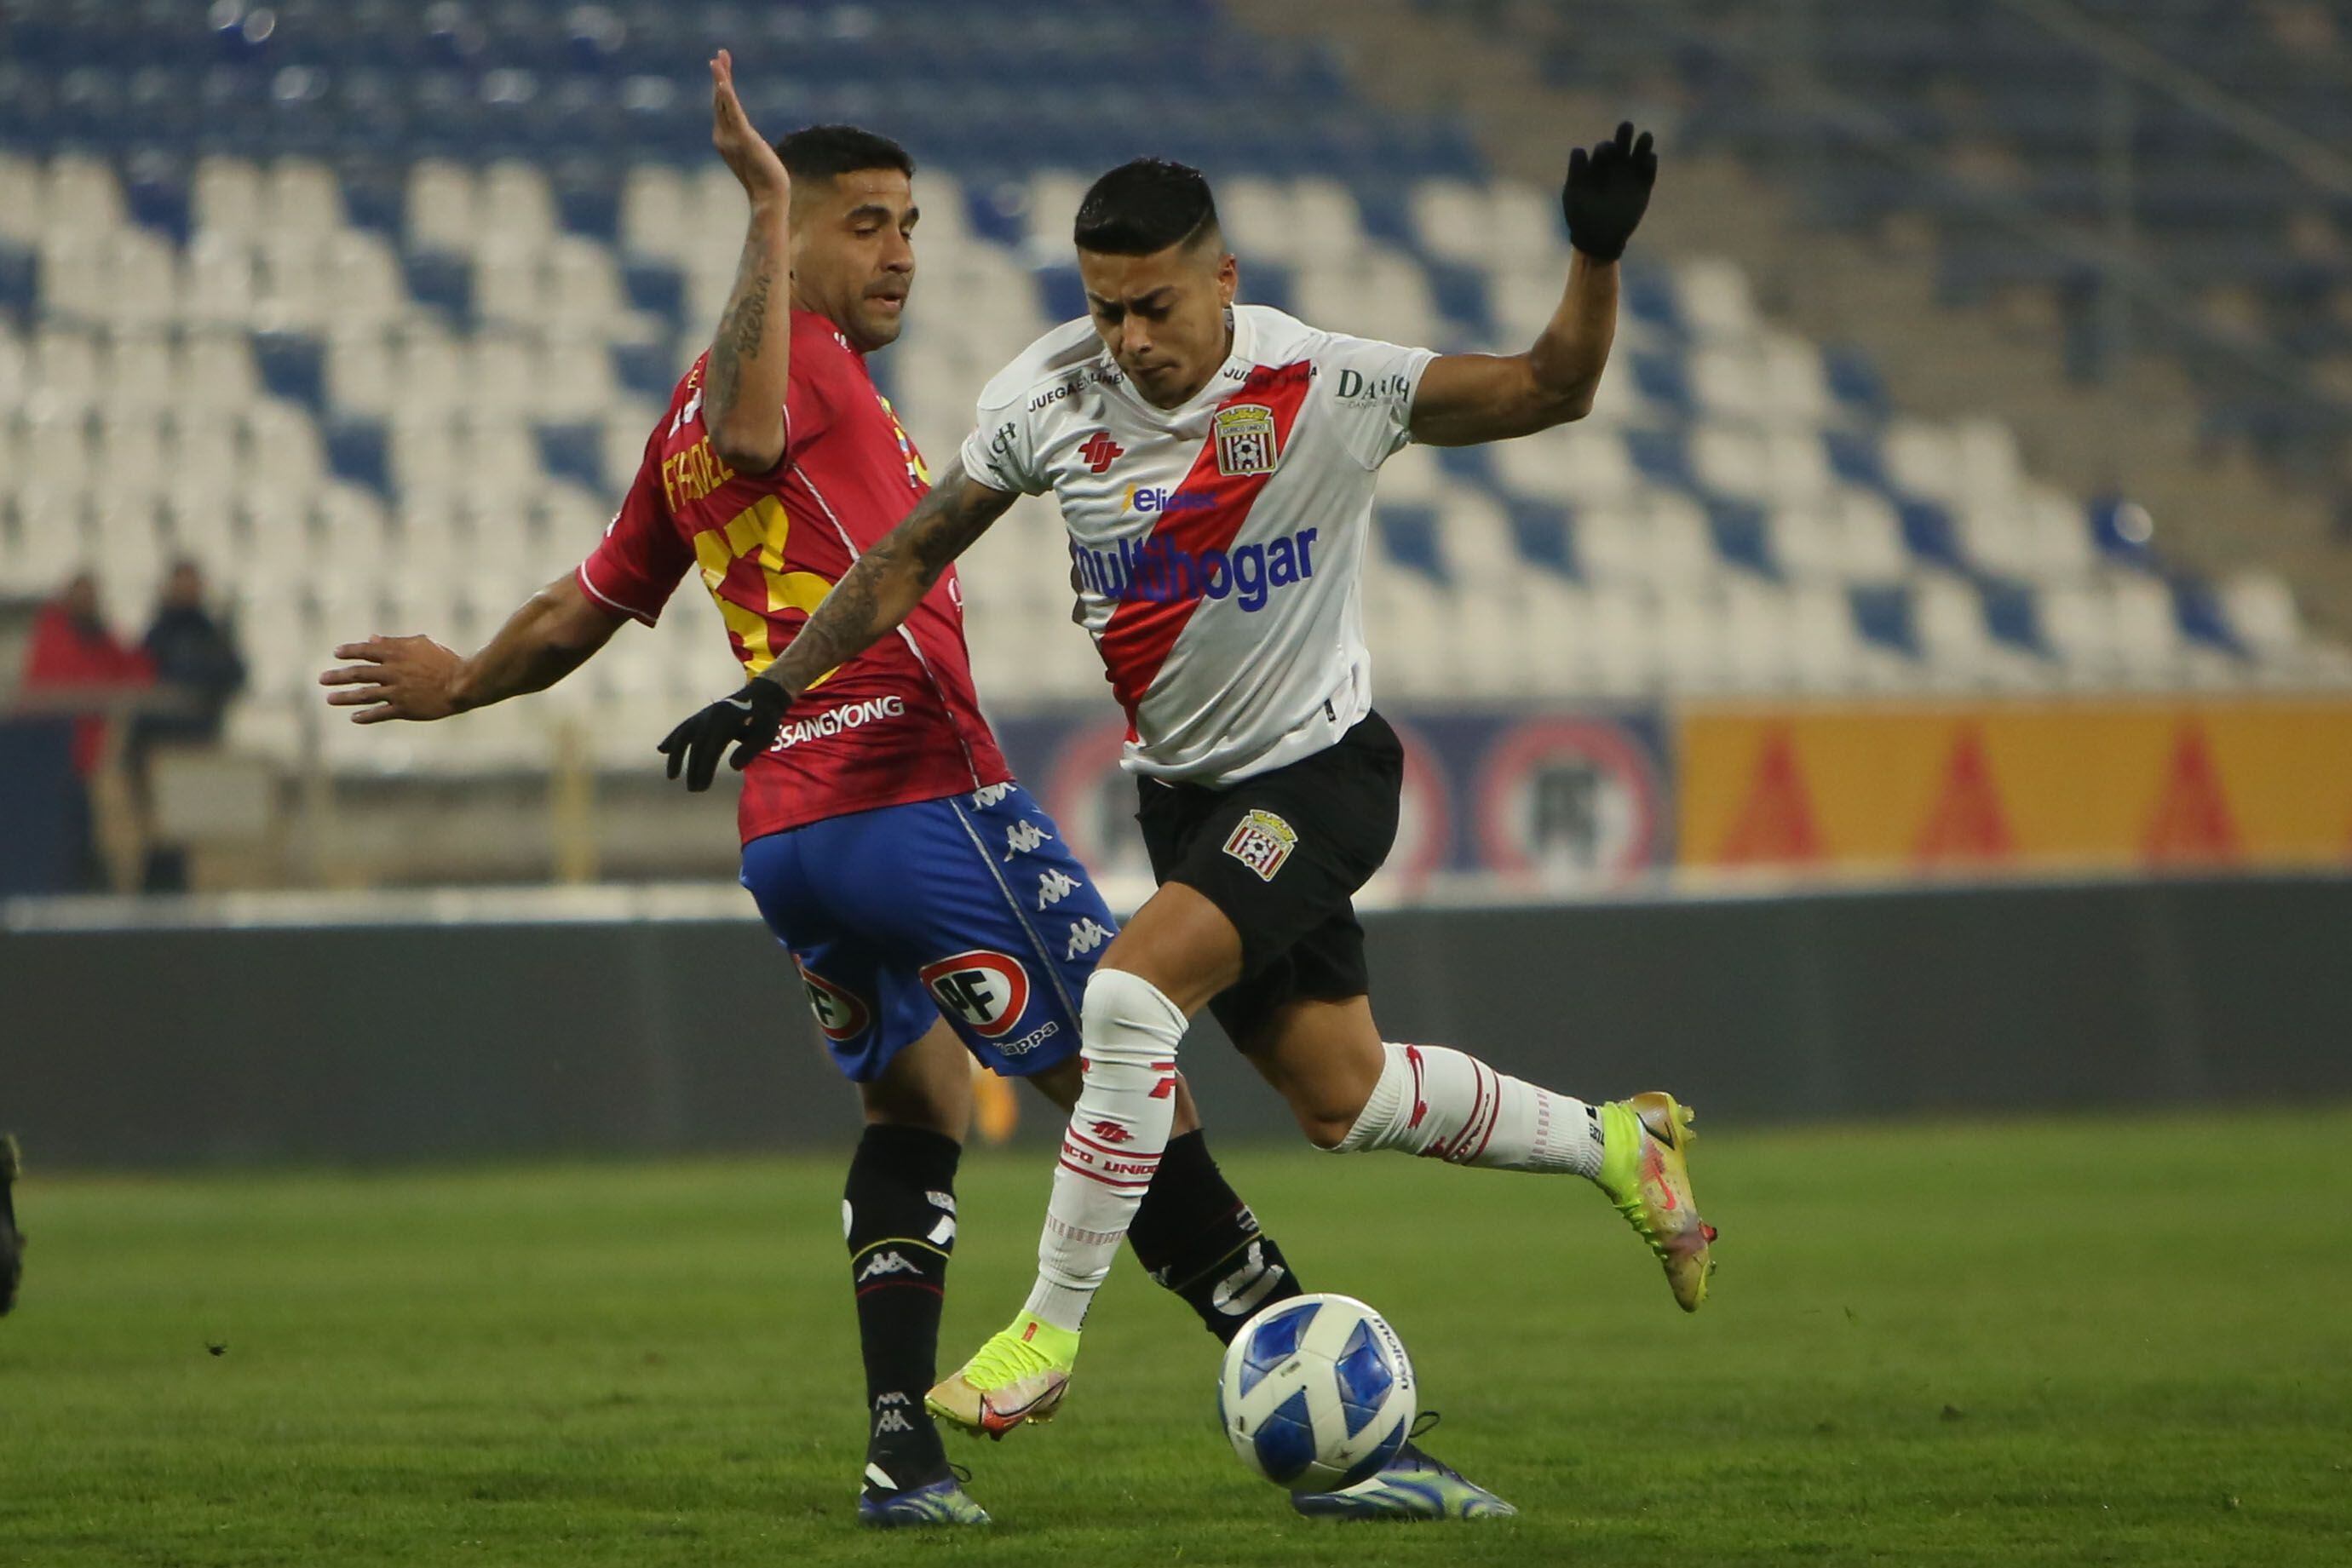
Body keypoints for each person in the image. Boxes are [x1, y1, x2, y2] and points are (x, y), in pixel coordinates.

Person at [320, 54, 1504, 1526]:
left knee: (916, 1102)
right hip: (916, 795)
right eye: (866, 223)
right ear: (795, 242)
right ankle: (1347, 1441)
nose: (901, 253)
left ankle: (900, 1452)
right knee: (1128, 1086)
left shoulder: (680, 425)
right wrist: (762, 205)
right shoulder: (790, 367)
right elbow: (758, 436)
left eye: (911, 222)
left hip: (791, 836)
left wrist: (461, 686)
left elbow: (589, 602)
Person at [656, 125, 1718, 1450]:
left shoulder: (1323, 385)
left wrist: (1595, 255)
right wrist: (779, 685)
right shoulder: (1048, 396)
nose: (1129, 337)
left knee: (1123, 995)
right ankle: (1621, 1145)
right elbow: (909, 554)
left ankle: (1045, 1331)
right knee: (1343, 1097)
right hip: (1189, 799)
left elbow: (1553, 386)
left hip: (1318, 777)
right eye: (1104, 307)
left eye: (1154, 305)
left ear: (1224, 276)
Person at [22, 571, 153, 890]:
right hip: (58, 757)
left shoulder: (101, 638)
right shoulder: (52, 638)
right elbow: (46, 688)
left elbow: (138, 672)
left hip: (98, 756)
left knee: (103, 829)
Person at [136, 559, 248, 891]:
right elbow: (145, 678)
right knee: (163, 833)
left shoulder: (210, 633)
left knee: (193, 831)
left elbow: (233, 675)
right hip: (162, 745)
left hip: (198, 745)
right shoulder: (159, 634)